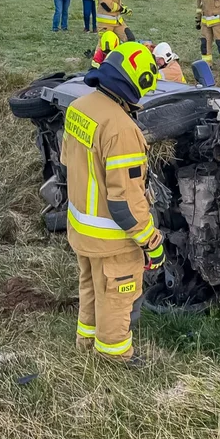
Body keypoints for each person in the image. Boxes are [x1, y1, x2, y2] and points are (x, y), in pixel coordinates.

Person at [60, 42, 165, 366]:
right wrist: (151, 243)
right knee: (119, 294)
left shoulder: (80, 107)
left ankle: (86, 340)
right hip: (112, 237)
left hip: (81, 227)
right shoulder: (121, 130)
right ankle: (115, 355)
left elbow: (67, 160)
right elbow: (125, 203)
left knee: (91, 286)